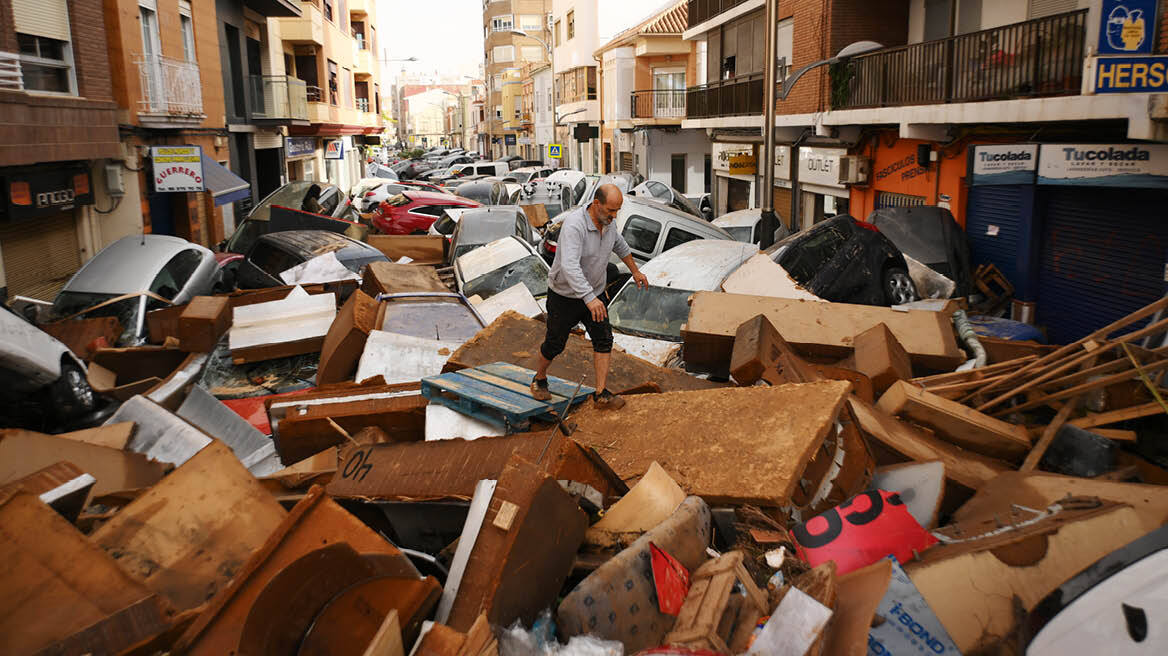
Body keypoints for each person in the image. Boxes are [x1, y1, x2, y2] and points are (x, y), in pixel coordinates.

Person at [530, 183, 648, 410]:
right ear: (596, 204)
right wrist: (589, 298)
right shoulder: (575, 226)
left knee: (603, 339)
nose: (614, 216)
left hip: (593, 293)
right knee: (555, 343)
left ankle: (601, 393)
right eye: (610, 210)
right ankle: (539, 378)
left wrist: (635, 271)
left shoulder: (609, 224)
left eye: (617, 211)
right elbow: (569, 266)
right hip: (564, 295)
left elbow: (620, 246)